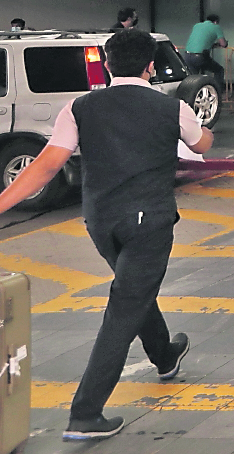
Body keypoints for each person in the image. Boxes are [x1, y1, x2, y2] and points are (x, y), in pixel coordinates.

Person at [0, 29, 212, 440]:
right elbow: (202, 143)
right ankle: (86, 412)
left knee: (132, 289)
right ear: (151, 65)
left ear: (107, 64)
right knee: (124, 307)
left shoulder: (79, 107)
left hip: (100, 221)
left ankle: (165, 355)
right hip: (148, 221)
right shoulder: (171, 107)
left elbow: (45, 167)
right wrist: (196, 131)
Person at [184, 14, 227, 79]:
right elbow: (223, 44)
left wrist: (211, 45)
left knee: (193, 78)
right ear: (215, 21)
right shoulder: (216, 27)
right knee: (219, 70)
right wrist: (224, 44)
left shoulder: (196, 25)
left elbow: (201, 40)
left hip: (187, 55)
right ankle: (216, 88)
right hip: (200, 56)